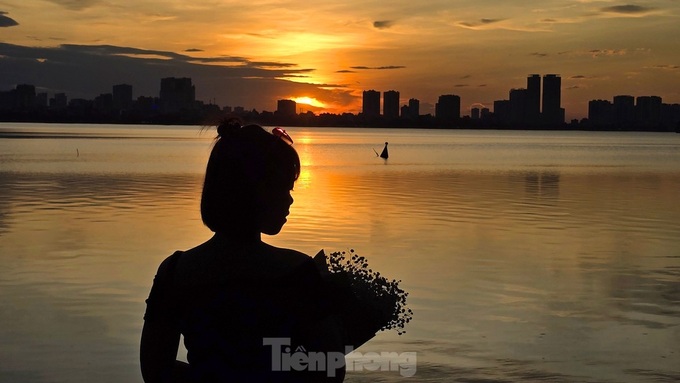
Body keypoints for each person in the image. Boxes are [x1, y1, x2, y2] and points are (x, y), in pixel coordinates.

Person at [140, 119, 348, 382]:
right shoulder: (296, 272)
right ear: (255, 191)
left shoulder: (175, 272)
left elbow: (155, 370)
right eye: (284, 187)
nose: (290, 199)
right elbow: (330, 370)